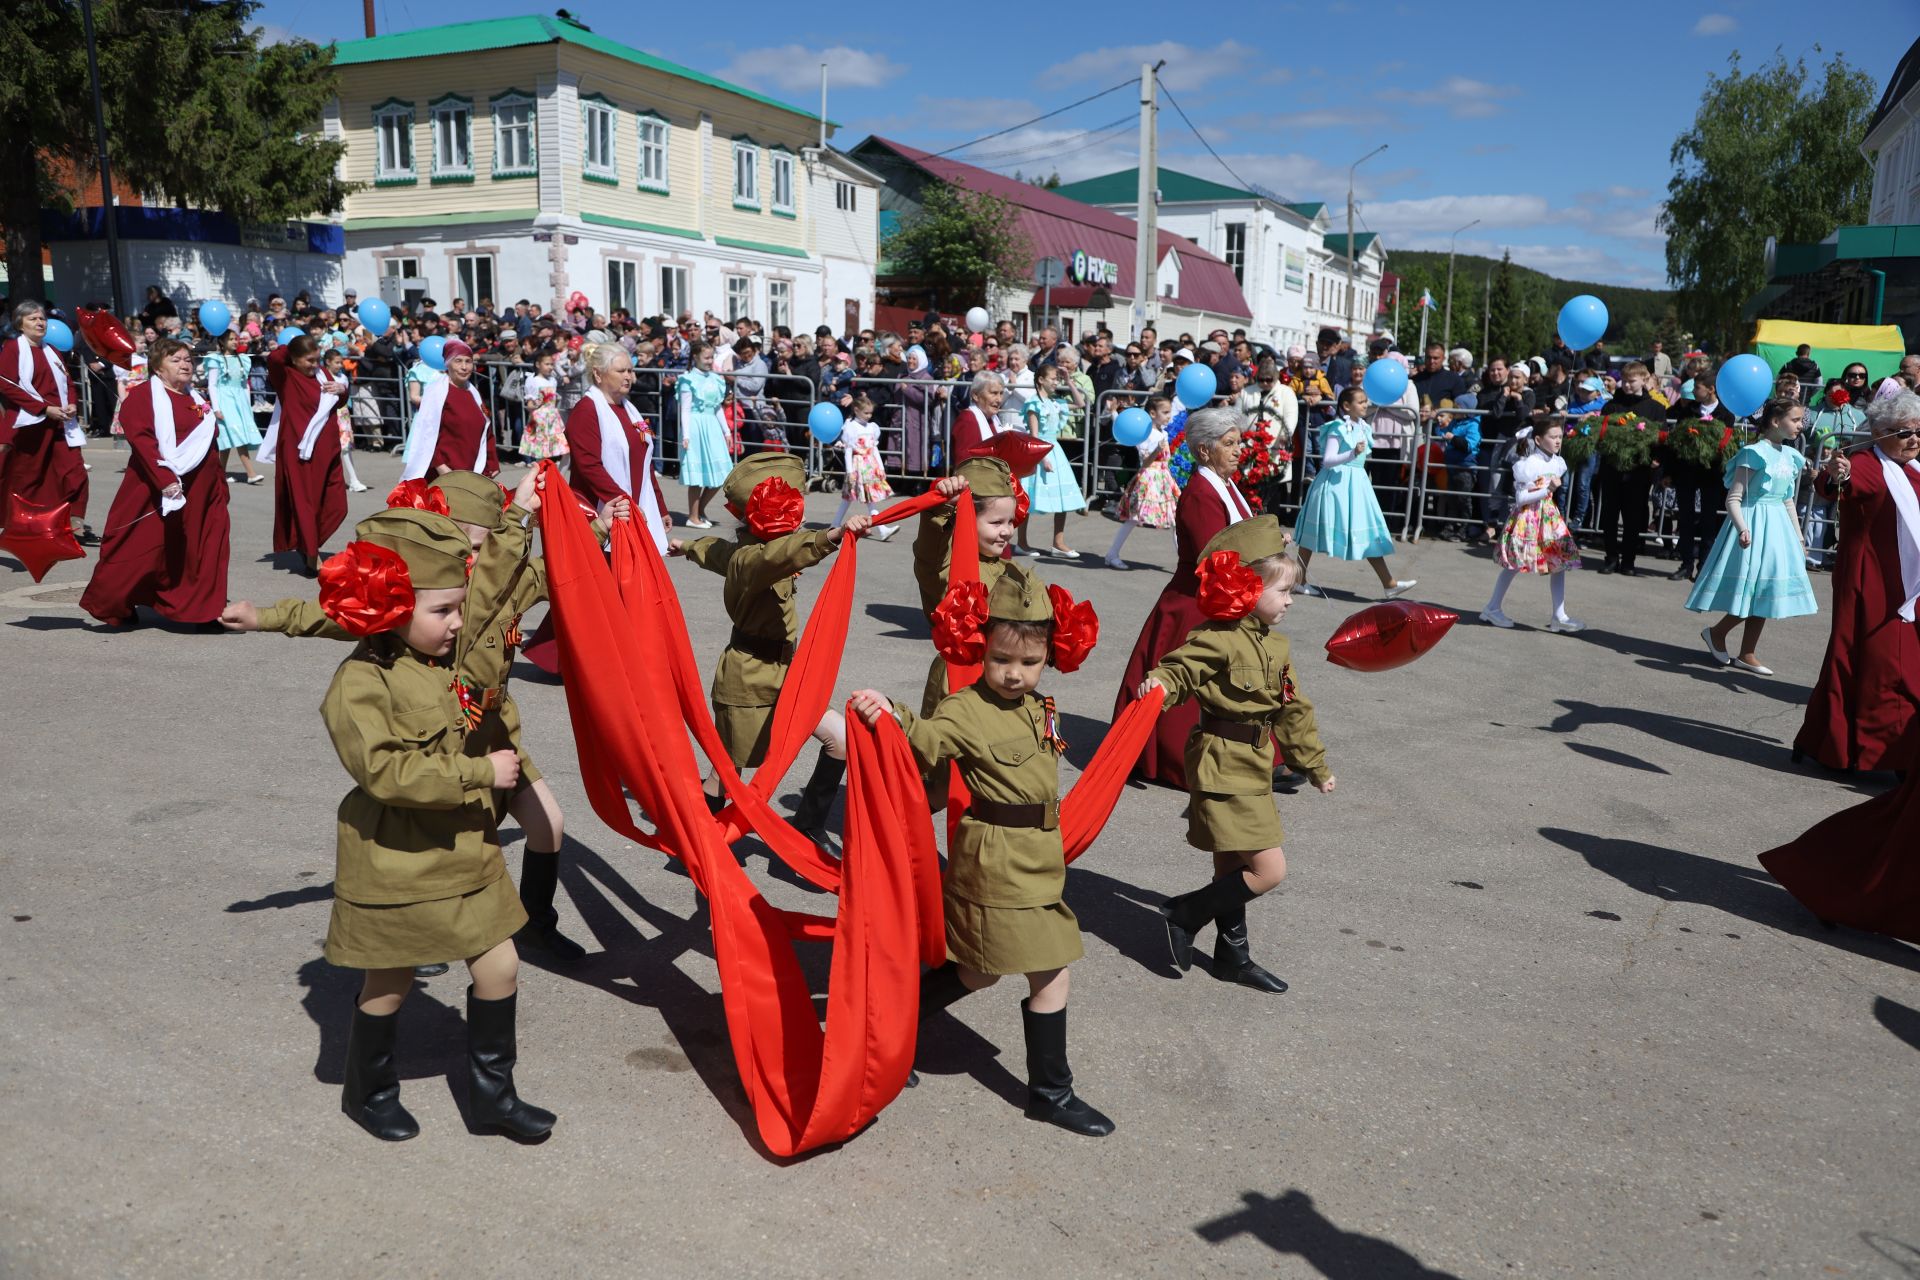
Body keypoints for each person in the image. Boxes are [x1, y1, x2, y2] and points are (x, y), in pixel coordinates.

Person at [299, 507, 556, 1142]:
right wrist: (478, 775)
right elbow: (386, 774)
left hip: (465, 848)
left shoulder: (447, 664)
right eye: (442, 610)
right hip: (398, 857)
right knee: (390, 983)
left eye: (459, 607)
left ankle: (494, 1097)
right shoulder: (359, 683)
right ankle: (369, 1089)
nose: (458, 623)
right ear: (388, 606)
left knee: (499, 967)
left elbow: (505, 592)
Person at [848, 570, 1115, 1137]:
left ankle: (884, 1031)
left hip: (1038, 857)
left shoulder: (1041, 706)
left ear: (1050, 657)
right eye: (1000, 659)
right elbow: (924, 739)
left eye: (1029, 661)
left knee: (978, 971)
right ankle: (1051, 1092)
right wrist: (890, 710)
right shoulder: (964, 708)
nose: (1014, 674)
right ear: (979, 648)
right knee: (1050, 974)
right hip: (997, 863)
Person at [1138, 516, 1333, 995]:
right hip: (1221, 762)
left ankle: (1232, 956)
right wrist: (1158, 687)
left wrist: (1314, 764)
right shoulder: (1219, 638)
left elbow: (1292, 710)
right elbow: (1178, 672)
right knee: (1269, 870)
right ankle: (1185, 913)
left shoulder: (1277, 645)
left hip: (1255, 762)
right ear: (1247, 586)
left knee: (1230, 867)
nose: (1289, 601)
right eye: (1283, 590)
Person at [674, 454, 870, 837]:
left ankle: (807, 832)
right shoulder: (753, 558)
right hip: (747, 681)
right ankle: (700, 845)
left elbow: (711, 550)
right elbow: (775, 556)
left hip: (786, 674)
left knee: (840, 739)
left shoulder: (738, 552)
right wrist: (829, 536)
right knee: (727, 772)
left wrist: (683, 545)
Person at [1113, 408, 1252, 789]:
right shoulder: (1200, 493)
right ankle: (1181, 759)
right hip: (1198, 601)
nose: (1239, 450)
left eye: (1238, 442)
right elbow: (1215, 555)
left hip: (1220, 597)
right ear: (1204, 451)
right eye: (1229, 444)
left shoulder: (1225, 484)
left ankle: (1252, 755)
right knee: (1190, 686)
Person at [1791, 390, 1920, 773]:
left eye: (1919, 431)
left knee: (1884, 661)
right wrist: (1836, 476)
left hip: (1906, 582)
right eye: (1904, 433)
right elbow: (1835, 486)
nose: (1913, 439)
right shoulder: (1865, 463)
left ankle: (1827, 741)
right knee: (1884, 664)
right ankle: (1886, 756)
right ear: (1879, 433)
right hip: (1872, 582)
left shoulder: (1914, 468)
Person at [77, 338, 230, 627]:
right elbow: (144, 444)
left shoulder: (196, 398)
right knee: (141, 552)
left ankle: (202, 611)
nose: (185, 364)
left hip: (203, 493)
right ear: (158, 368)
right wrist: (165, 480)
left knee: (203, 549)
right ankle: (116, 603)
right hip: (157, 490)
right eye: (176, 360)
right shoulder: (142, 397)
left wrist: (220, 485)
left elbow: (208, 442)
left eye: (187, 359)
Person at [1685, 397, 1816, 676]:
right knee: (1750, 590)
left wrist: (1798, 536)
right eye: (1795, 420)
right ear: (1775, 421)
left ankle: (1747, 652)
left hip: (1777, 528)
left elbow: (1787, 500)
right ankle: (1717, 633)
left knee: (1766, 592)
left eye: (1801, 421)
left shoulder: (1791, 456)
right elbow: (1733, 498)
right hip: (1754, 524)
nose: (1799, 426)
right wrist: (1743, 527)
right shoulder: (1753, 453)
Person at [1294, 387, 1416, 599]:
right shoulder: (1337, 428)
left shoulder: (1364, 427)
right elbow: (1328, 460)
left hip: (1357, 485)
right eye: (1360, 402)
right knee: (1311, 536)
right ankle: (1298, 580)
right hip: (1334, 485)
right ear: (1346, 406)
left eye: (1366, 401)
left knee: (1368, 534)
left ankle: (1389, 583)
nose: (1365, 405)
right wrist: (1352, 453)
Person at [564, 341, 670, 554]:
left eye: (630, 370)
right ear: (598, 374)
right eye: (621, 371)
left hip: (633, 508)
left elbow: (645, 463)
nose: (629, 377)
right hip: (601, 512)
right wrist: (626, 504)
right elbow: (589, 466)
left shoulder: (630, 409)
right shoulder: (586, 410)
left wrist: (660, 507)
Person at [1479, 419, 1583, 632]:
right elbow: (1521, 497)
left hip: (1549, 517)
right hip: (1529, 517)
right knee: (1515, 563)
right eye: (1552, 437)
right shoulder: (1528, 465)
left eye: (1559, 437)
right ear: (1538, 439)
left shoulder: (1557, 462)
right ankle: (1492, 608)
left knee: (1559, 563)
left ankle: (1559, 615)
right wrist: (1548, 490)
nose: (1557, 441)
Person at [0, 299, 88, 539]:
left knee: (75, 472)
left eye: (42, 318)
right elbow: (6, 385)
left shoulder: (53, 351)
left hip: (60, 422)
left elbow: (68, 382)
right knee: (29, 477)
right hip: (29, 423)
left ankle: (73, 519)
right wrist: (43, 409)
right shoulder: (13, 349)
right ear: (20, 324)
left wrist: (71, 403)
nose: (40, 323)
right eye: (33, 319)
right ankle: (25, 524)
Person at [259, 334, 347, 574]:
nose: (314, 365)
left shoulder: (322, 374)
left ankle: (308, 545)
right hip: (300, 452)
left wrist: (341, 389)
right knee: (306, 503)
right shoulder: (285, 376)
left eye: (317, 359)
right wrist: (296, 341)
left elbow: (338, 402)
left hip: (328, 450)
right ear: (294, 359)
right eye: (308, 360)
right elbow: (276, 357)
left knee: (336, 504)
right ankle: (311, 554)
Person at [1661, 368, 1735, 583]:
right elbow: (1675, 444)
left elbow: (1726, 444)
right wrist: (1669, 472)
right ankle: (1686, 563)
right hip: (1687, 472)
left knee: (1708, 521)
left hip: (1712, 473)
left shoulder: (1725, 414)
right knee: (1685, 518)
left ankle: (1704, 565)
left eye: (1697, 388)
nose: (1693, 391)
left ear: (1711, 389)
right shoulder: (1688, 411)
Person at [1595, 362, 1663, 577]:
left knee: (1633, 516)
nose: (1626, 385)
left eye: (1632, 381)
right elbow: (1602, 432)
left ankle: (1629, 560)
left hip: (1638, 470)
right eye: (1624, 380)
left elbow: (1660, 438)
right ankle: (1611, 557)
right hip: (1612, 467)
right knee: (1609, 514)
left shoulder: (1655, 408)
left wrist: (1655, 458)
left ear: (1644, 380)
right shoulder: (1612, 406)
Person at [400, 340, 496, 480]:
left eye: (468, 361)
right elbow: (426, 435)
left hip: (472, 468)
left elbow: (486, 430)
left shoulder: (474, 393)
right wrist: (441, 466)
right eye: (458, 361)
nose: (464, 367)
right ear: (448, 363)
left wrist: (492, 462)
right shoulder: (436, 393)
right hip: (444, 472)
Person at [1019, 363, 1087, 558]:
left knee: (1062, 497)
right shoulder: (1034, 403)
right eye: (1053, 378)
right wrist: (1041, 458)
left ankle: (1058, 542)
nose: (1056, 382)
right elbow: (1033, 435)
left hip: (1055, 450)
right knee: (1029, 497)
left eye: (1058, 379)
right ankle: (1022, 542)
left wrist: (1068, 381)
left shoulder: (1055, 402)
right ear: (1041, 380)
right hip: (1041, 450)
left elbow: (1080, 403)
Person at [1106, 394, 1179, 569]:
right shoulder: (1146, 434)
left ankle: (1184, 561)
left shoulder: (1163, 432)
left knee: (1176, 519)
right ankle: (1112, 553)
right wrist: (1157, 450)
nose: (1169, 416)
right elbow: (1145, 462)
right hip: (1149, 478)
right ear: (1152, 413)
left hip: (1163, 479)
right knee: (1133, 518)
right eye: (1165, 412)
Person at [676, 340, 730, 528]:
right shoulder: (688, 379)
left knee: (719, 475)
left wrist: (727, 431)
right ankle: (693, 517)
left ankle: (700, 509)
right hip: (696, 427)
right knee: (697, 477)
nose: (709, 361)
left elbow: (717, 408)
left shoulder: (716, 379)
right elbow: (685, 409)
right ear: (696, 357)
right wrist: (686, 435)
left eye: (711, 357)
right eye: (706, 357)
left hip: (712, 427)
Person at [201, 330, 264, 485]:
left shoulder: (242, 359)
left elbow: (244, 385)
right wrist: (216, 408)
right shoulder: (216, 359)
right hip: (225, 400)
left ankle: (219, 473)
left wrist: (247, 406)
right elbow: (212, 385)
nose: (235, 342)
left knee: (228, 440)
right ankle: (251, 473)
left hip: (239, 401)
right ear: (222, 341)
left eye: (236, 339)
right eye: (231, 339)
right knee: (238, 435)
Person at [834, 393, 897, 541]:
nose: (869, 416)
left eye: (870, 413)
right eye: (866, 413)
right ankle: (882, 529)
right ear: (856, 410)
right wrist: (849, 471)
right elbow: (848, 451)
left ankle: (835, 523)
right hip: (858, 466)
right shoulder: (851, 428)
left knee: (851, 497)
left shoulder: (872, 428)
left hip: (870, 466)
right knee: (863, 497)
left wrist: (880, 467)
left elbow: (874, 449)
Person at [322, 349, 370, 495]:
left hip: (342, 414)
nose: (340, 365)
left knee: (345, 448)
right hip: (328, 414)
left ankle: (354, 480)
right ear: (328, 362)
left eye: (340, 362)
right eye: (336, 362)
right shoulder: (322, 377)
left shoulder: (342, 377)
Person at [517, 348, 567, 462]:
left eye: (551, 364)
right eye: (547, 364)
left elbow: (553, 400)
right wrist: (535, 404)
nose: (550, 367)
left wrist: (555, 399)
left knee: (560, 450)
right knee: (541, 452)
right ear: (538, 364)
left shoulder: (552, 380)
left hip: (552, 417)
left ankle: (553, 474)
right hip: (540, 419)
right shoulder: (533, 380)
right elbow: (529, 404)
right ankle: (541, 474)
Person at [949, 369, 1005, 463]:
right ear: (975, 395)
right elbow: (965, 463)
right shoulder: (968, 420)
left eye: (1001, 393)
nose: (999, 399)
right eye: (994, 393)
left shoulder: (992, 419)